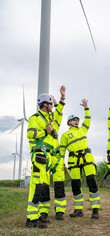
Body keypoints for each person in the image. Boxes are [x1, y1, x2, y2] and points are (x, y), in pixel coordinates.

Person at [26, 85, 66, 228]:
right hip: (39, 156)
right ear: (45, 105)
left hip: (49, 158)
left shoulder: (50, 119)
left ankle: (37, 216)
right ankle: (31, 219)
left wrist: (61, 98)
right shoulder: (35, 118)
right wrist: (45, 131)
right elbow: (30, 134)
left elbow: (59, 111)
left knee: (42, 187)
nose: (52, 107)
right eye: (50, 104)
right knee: (36, 186)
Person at [60, 99, 100, 219]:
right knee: (76, 186)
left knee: (92, 182)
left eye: (77, 120)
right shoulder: (65, 135)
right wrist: (61, 163)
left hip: (86, 159)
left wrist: (86, 108)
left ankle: (95, 210)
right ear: (69, 123)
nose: (76, 121)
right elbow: (61, 151)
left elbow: (88, 119)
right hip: (73, 161)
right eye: (74, 120)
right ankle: (78, 210)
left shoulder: (83, 129)